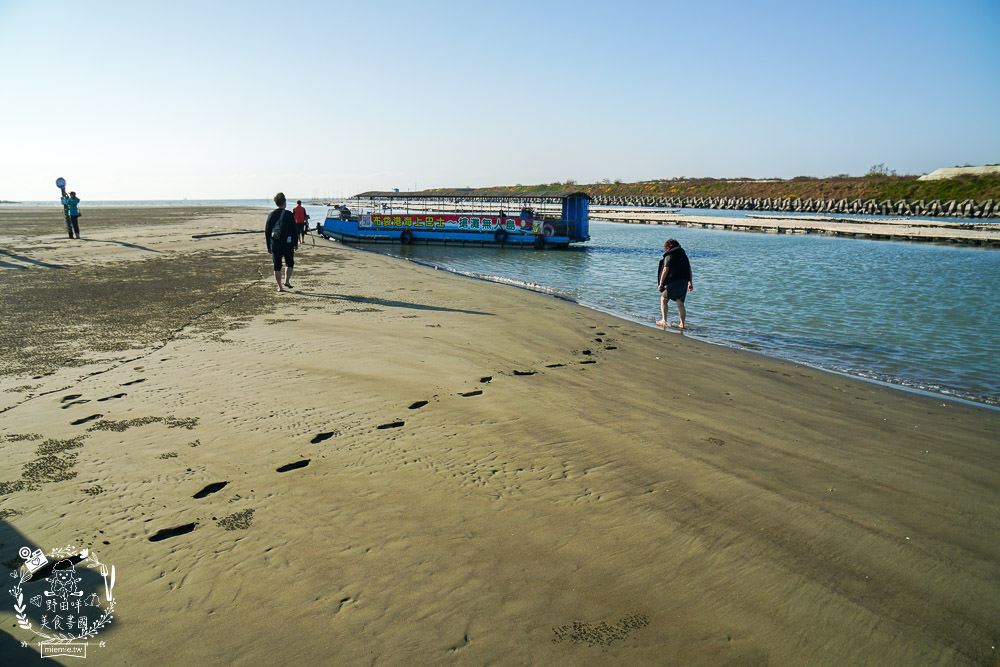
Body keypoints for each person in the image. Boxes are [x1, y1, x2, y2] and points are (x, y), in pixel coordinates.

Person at [265, 192, 298, 292]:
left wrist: (268, 246)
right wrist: (295, 243)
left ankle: (280, 287)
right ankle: (287, 280)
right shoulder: (289, 214)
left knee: (277, 265)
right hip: (288, 243)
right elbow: (294, 230)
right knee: (290, 263)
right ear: (284, 202)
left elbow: (267, 231)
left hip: (275, 243)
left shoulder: (271, 214)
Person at [657, 239, 693, 329]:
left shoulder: (669, 255)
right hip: (684, 281)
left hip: (672, 281)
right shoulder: (684, 255)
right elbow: (689, 270)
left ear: (668, 247)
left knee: (664, 300)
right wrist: (690, 283)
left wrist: (661, 284)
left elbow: (665, 270)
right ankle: (682, 324)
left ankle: (664, 321)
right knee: (680, 303)